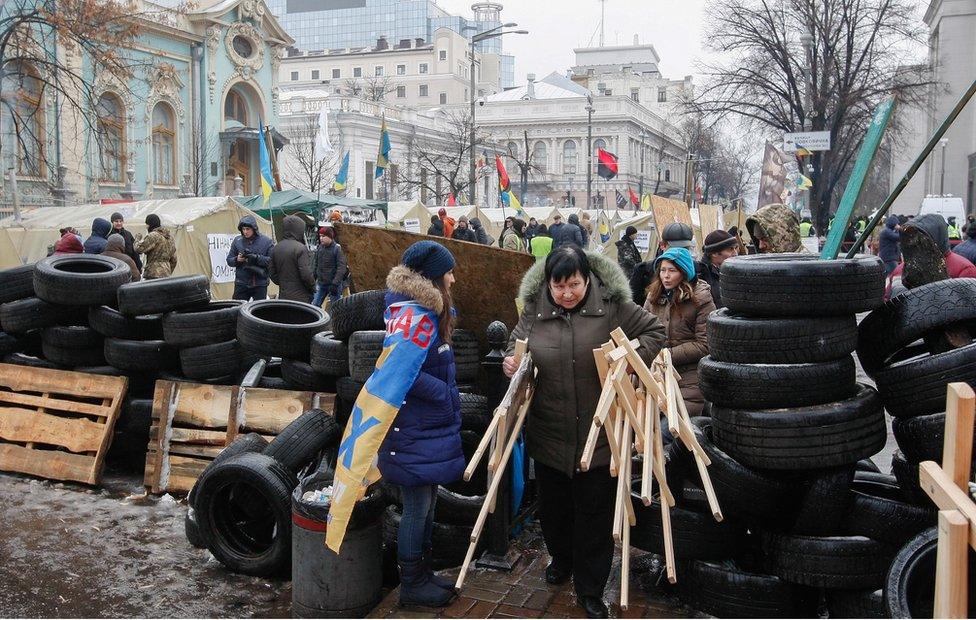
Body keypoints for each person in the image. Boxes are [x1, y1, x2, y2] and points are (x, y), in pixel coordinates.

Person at [503, 246, 665, 619]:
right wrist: (512, 364)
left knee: (594, 514)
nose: (567, 294)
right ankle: (561, 560)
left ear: (587, 279)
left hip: (600, 431)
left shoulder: (612, 306)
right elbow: (516, 349)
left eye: (574, 284)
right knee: (554, 510)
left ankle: (590, 588)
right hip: (549, 430)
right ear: (548, 285)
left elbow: (655, 332)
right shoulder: (534, 311)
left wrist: (628, 359)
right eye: (559, 286)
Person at [379, 240, 464, 608]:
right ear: (432, 277)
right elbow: (402, 370)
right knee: (417, 506)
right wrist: (444, 394)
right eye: (448, 272)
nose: (454, 278)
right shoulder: (413, 315)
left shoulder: (428, 311)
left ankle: (423, 574)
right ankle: (411, 585)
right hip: (412, 427)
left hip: (424, 425)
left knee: (427, 504)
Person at [644, 247, 715, 416]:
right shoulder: (653, 296)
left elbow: (705, 344)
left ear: (684, 272)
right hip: (657, 377)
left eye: (672, 271)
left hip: (690, 379)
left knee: (667, 430)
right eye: (662, 270)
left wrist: (666, 355)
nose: (666, 276)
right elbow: (643, 329)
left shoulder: (701, 299)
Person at [888, 213, 976, 296]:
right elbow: (887, 302)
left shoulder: (965, 270)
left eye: (920, 238)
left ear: (935, 239)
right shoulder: (900, 269)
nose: (914, 243)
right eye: (911, 238)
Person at [629, 222, 699, 306]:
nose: (681, 253)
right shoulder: (643, 270)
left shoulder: (698, 269)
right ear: (662, 246)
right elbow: (633, 305)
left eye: (685, 248)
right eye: (675, 248)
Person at [226, 214, 274, 300]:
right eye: (243, 229)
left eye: (247, 229)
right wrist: (237, 260)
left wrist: (256, 258)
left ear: (254, 229)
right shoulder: (237, 241)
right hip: (241, 283)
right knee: (237, 309)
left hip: (259, 283)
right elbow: (229, 260)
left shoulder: (267, 242)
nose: (245, 232)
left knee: (259, 311)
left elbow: (272, 261)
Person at [269, 215, 315, 303]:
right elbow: (306, 275)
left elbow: (272, 272)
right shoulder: (301, 248)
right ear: (299, 229)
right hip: (301, 296)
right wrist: (312, 286)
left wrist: (282, 283)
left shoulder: (276, 248)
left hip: (284, 294)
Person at [699, 229, 739, 308]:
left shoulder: (732, 270)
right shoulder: (701, 274)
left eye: (735, 248)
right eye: (730, 249)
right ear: (714, 253)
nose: (735, 253)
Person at [312, 227, 349, 308]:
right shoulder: (320, 248)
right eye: (320, 236)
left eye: (324, 236)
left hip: (333, 284)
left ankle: (334, 320)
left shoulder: (337, 249)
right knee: (314, 305)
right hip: (321, 283)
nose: (321, 238)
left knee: (335, 307)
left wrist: (335, 284)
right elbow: (316, 264)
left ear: (330, 237)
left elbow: (341, 268)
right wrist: (313, 278)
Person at [135, 214, 178, 279]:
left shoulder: (153, 236)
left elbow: (138, 249)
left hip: (153, 274)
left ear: (149, 225)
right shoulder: (169, 237)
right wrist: (167, 270)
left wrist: (137, 240)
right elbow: (174, 259)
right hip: (166, 274)